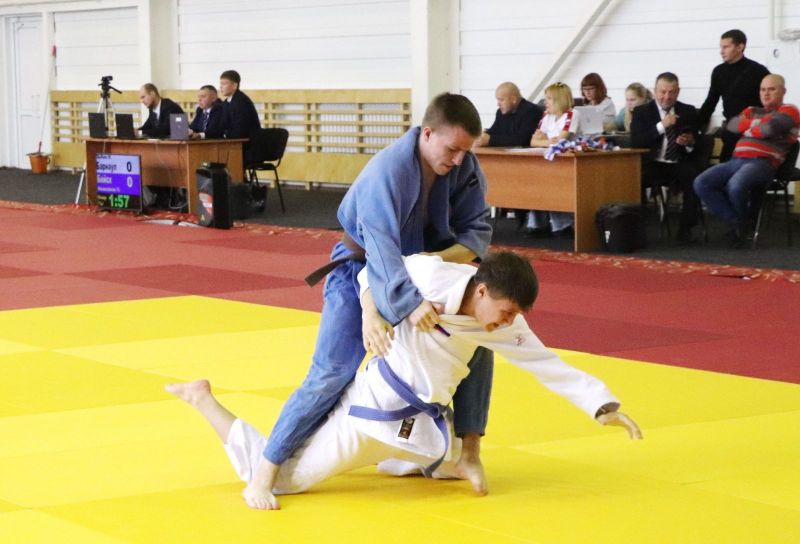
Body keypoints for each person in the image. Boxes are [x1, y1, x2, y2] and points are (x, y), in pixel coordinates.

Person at [166, 252, 643, 510]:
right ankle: (204, 400)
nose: (508, 322)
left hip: (424, 428)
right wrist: (372, 314)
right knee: (287, 481)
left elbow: (548, 364)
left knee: (438, 453)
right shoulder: (428, 275)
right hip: (371, 416)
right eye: (506, 310)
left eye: (516, 315)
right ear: (481, 290)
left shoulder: (502, 324)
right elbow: (371, 273)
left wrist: (604, 406)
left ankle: (429, 461)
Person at [262, 93, 495, 497]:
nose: (459, 160)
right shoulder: (387, 172)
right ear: (427, 134)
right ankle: (267, 468)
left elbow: (477, 234)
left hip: (424, 271)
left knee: (478, 341)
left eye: (466, 151)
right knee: (333, 371)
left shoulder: (464, 166)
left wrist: (431, 262)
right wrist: (396, 306)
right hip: (360, 267)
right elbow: (380, 254)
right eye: (452, 149)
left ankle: (468, 454)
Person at [694, 74, 800, 248]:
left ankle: (740, 228)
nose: (766, 94)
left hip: (763, 163)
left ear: (783, 91)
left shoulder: (790, 110)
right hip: (736, 160)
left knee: (736, 184)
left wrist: (748, 126)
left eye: (771, 89)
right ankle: (739, 223)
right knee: (701, 182)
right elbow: (731, 126)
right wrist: (757, 126)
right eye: (763, 90)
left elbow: (768, 129)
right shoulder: (751, 109)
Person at [631, 72, 701, 243]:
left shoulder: (688, 111)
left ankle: (685, 230)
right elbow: (636, 142)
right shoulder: (641, 112)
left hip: (678, 161)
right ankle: (636, 229)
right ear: (655, 91)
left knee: (696, 179)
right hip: (653, 163)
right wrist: (661, 126)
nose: (667, 97)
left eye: (671, 92)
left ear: (678, 92)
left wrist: (689, 142)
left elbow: (697, 142)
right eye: (663, 92)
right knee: (633, 180)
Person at [698, 29, 770, 162]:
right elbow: (710, 103)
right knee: (725, 167)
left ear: (740, 47)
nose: (721, 51)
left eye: (726, 47)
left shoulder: (758, 71)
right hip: (731, 131)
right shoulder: (718, 72)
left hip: (753, 132)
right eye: (721, 47)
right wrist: (694, 127)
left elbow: (770, 103)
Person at [527, 82, 582, 235]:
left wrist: (544, 140)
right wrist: (547, 141)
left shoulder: (572, 114)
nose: (545, 102)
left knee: (555, 183)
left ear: (560, 100)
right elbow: (533, 142)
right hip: (546, 159)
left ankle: (563, 225)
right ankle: (537, 224)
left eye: (549, 98)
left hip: (567, 162)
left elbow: (561, 141)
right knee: (534, 180)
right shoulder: (546, 116)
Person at [474, 82, 543, 147]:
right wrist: (481, 136)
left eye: (501, 100)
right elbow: (494, 131)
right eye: (497, 100)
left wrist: (490, 140)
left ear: (513, 99)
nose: (498, 104)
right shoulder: (501, 112)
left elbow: (523, 139)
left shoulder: (531, 111)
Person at [219, 70, 262, 166]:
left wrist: (224, 134)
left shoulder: (241, 102)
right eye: (220, 84)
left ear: (234, 86)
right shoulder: (226, 103)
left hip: (248, 147)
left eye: (224, 84)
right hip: (235, 144)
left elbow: (240, 130)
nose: (220, 87)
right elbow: (222, 125)